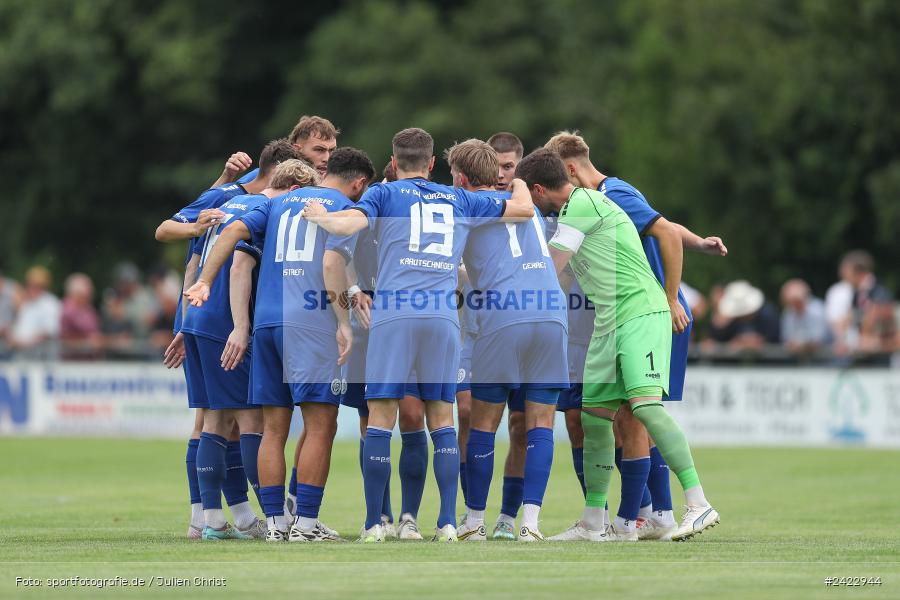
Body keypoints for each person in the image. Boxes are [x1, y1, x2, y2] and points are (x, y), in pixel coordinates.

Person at [301, 127, 535, 542]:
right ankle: (446, 522)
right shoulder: (459, 197)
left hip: (395, 315)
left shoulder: (383, 194)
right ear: (432, 164)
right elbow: (522, 210)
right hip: (444, 318)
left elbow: (349, 223)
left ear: (394, 162)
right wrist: (515, 178)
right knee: (442, 418)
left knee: (381, 418)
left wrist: (322, 216)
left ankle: (375, 524)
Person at [515, 148, 719, 542]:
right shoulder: (577, 208)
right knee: (594, 418)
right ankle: (594, 522)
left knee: (644, 407)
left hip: (640, 314)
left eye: (527, 195)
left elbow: (550, 267)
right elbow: (557, 280)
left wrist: (483, 283)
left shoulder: (584, 203)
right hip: (610, 321)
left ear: (538, 189)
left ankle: (698, 503)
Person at [187, 150, 375, 543]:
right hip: (311, 324)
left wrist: (205, 279)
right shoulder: (342, 208)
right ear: (358, 184)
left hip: (267, 325)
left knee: (273, 428)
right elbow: (330, 265)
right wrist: (343, 322)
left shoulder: (270, 203)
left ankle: (275, 523)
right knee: (321, 424)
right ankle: (306, 524)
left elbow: (232, 232)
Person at [156, 138, 302, 539]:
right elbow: (238, 262)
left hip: (198, 317)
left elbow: (191, 262)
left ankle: (214, 519)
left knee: (212, 420)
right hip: (223, 319)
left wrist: (185, 321)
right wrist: (239, 324)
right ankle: (276, 516)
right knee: (249, 421)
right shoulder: (266, 206)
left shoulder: (227, 197)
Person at [446, 140, 568, 543]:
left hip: (503, 316)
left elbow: (448, 268)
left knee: (483, 423)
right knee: (541, 423)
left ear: (461, 177)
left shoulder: (463, 205)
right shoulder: (525, 202)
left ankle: (475, 522)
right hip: (552, 313)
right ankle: (529, 524)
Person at [476, 131, 530, 540]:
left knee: (522, 426)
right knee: (473, 421)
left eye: (509, 167)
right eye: (494, 165)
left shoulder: (543, 209)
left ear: (520, 167)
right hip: (481, 328)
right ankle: (469, 515)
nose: (500, 174)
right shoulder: (473, 204)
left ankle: (509, 520)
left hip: (532, 327)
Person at [709, 280, 780, 351]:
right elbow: (716, 340)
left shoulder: (767, 314)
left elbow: (775, 339)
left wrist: (759, 341)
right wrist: (719, 326)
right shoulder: (730, 319)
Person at [10, 266, 62, 360]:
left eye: (37, 285)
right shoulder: (25, 303)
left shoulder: (50, 303)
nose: (32, 288)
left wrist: (24, 343)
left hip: (42, 358)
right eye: (30, 285)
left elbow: (48, 332)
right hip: (22, 356)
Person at [780, 278, 830, 357]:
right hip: (802, 361)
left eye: (795, 301)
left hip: (826, 360)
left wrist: (800, 345)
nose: (792, 305)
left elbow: (818, 341)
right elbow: (786, 339)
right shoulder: (789, 312)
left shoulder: (817, 310)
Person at [59, 273, 102, 359]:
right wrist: (90, 343)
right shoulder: (68, 310)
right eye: (87, 293)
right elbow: (67, 339)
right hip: (73, 362)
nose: (90, 295)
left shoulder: (88, 308)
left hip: (88, 361)